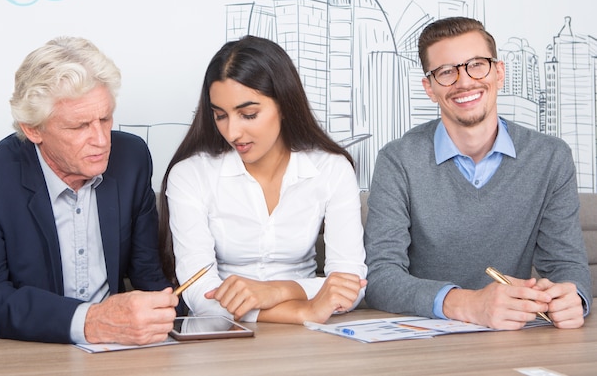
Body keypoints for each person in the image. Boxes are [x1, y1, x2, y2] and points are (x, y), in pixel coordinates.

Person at [364, 17, 592, 330]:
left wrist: (573, 298)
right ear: (429, 88)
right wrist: (469, 303)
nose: (465, 81)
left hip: (515, 336)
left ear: (499, 73)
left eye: (477, 65)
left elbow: (567, 266)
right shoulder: (398, 159)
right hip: (424, 340)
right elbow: (380, 277)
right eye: (446, 72)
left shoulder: (550, 157)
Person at [0, 37, 179, 344]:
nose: (101, 139)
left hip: (117, 354)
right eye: (79, 126)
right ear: (33, 129)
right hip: (31, 352)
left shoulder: (131, 159)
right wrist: (92, 321)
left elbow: (148, 274)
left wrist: (189, 318)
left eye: (105, 119)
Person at [159, 35, 367, 324]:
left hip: (312, 341)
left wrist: (275, 290)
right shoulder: (190, 175)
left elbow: (349, 286)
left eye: (248, 114)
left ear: (283, 103)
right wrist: (301, 310)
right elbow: (199, 295)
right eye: (220, 116)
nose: (232, 133)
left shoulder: (332, 169)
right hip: (224, 338)